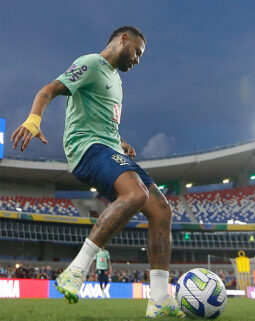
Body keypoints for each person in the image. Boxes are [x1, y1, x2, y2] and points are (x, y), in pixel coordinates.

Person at [10, 26, 181, 318]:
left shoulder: (115, 78)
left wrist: (121, 141)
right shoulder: (90, 63)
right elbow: (48, 90)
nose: (138, 60)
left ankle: (160, 297)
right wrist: (34, 119)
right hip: (86, 148)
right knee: (136, 194)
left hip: (108, 146)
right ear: (123, 39)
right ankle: (76, 270)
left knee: (162, 210)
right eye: (137, 52)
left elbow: (105, 123)